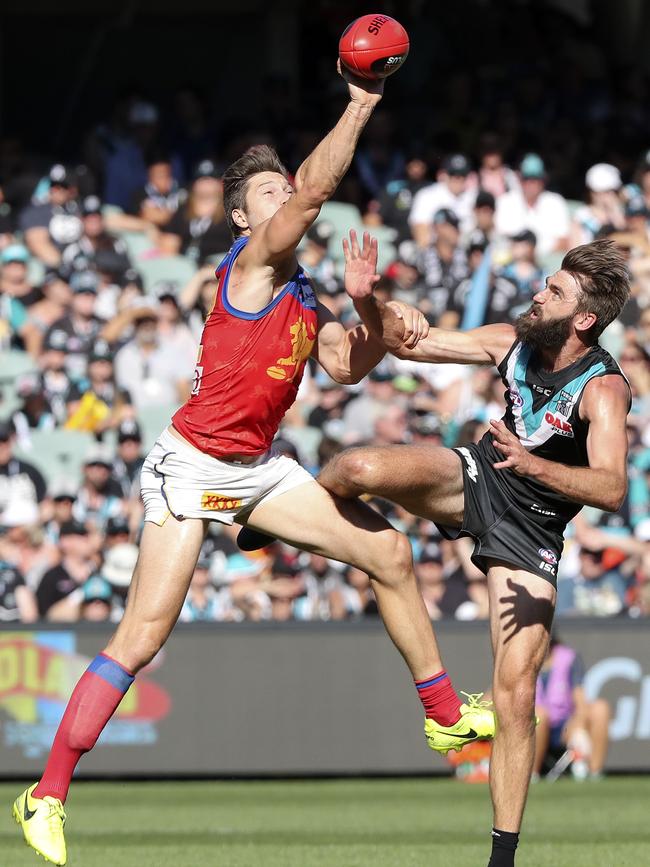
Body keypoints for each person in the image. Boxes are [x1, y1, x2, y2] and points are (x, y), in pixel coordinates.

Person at [13, 63, 494, 867]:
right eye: (269, 192)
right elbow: (312, 195)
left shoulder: (301, 290)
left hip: (261, 467)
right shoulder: (253, 260)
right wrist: (360, 104)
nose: (285, 198)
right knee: (141, 636)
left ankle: (443, 712)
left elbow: (346, 365)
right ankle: (48, 791)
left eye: (283, 189)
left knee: (388, 550)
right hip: (193, 464)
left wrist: (370, 305)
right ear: (243, 214)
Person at [313, 237, 630, 866]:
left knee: (515, 694)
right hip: (478, 478)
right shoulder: (507, 341)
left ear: (584, 319)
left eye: (555, 292)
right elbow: (408, 343)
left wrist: (534, 466)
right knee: (356, 466)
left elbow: (613, 487)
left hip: (534, 528)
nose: (539, 294)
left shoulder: (605, 388)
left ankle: (502, 857)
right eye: (547, 283)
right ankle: (276, 519)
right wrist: (367, 301)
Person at [534, 635, 610, 780]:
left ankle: (595, 772)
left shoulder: (569, 658)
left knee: (600, 708)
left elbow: (580, 699)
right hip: (531, 724)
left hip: (564, 724)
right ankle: (531, 775)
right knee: (540, 715)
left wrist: (578, 725)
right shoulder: (518, 657)